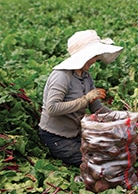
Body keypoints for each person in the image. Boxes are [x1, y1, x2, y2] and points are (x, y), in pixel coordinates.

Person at [38, 30, 123, 167]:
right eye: (93, 56)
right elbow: (52, 108)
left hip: (77, 133)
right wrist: (85, 99)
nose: (95, 60)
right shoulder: (61, 75)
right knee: (96, 162)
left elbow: (96, 107)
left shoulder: (85, 76)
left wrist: (120, 116)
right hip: (55, 137)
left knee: (111, 151)